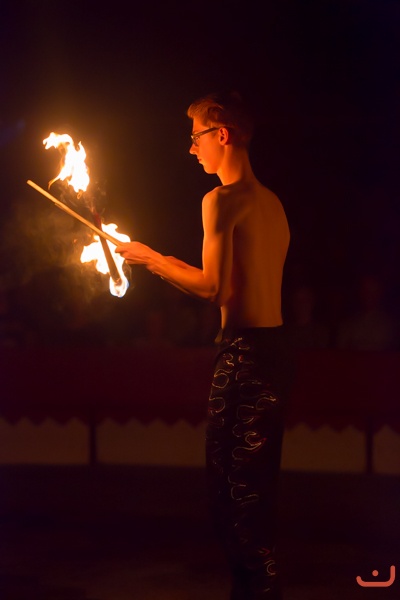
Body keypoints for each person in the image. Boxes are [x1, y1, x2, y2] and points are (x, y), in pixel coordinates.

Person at [116, 90, 291, 600]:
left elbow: (213, 289)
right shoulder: (271, 203)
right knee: (253, 496)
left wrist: (152, 261)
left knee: (232, 500)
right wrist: (155, 258)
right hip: (276, 353)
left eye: (196, 137)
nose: (191, 148)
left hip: (243, 359)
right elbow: (232, 284)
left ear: (223, 134)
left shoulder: (221, 200)